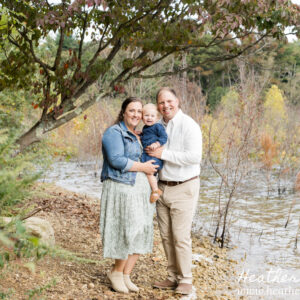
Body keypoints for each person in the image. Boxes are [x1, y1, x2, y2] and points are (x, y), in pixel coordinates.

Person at [146, 87, 202, 295]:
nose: (165, 106)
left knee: (180, 236)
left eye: (169, 101)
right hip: (162, 186)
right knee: (166, 236)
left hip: (184, 186)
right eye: (161, 102)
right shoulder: (158, 125)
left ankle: (186, 279)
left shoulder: (189, 125)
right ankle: (172, 276)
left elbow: (194, 157)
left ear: (177, 101)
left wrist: (164, 153)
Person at [100, 97, 158, 294]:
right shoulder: (114, 132)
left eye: (139, 111)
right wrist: (143, 167)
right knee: (127, 229)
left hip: (139, 189)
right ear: (124, 111)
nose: (136, 114)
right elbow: (116, 160)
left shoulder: (139, 135)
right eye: (132, 110)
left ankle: (126, 274)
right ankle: (116, 272)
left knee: (141, 230)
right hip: (121, 187)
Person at [140, 103, 168, 203]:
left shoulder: (158, 127)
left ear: (157, 118)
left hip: (154, 157)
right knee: (145, 172)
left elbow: (164, 137)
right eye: (146, 115)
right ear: (142, 117)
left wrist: (157, 144)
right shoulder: (145, 128)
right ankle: (150, 190)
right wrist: (140, 134)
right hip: (146, 155)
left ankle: (155, 190)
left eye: (152, 116)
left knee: (149, 173)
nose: (149, 118)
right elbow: (145, 137)